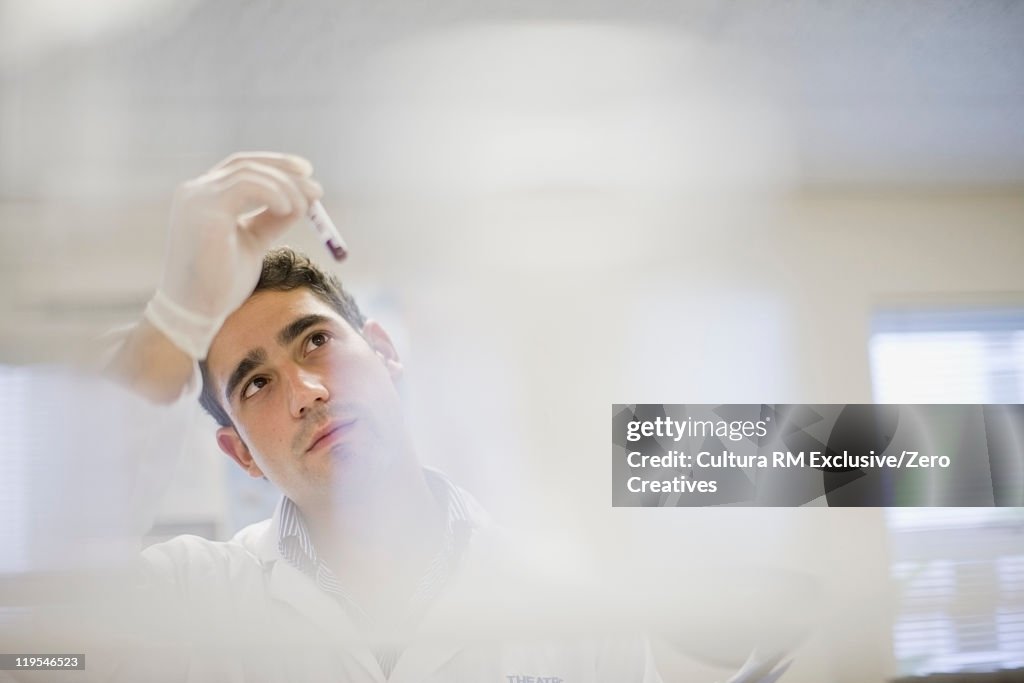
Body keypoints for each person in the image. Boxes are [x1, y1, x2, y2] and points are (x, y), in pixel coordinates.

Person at [97, 152, 664, 682]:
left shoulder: (574, 603)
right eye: (257, 383)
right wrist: (177, 312)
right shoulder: (195, 599)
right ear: (240, 453)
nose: (307, 391)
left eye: (316, 340)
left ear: (386, 352)